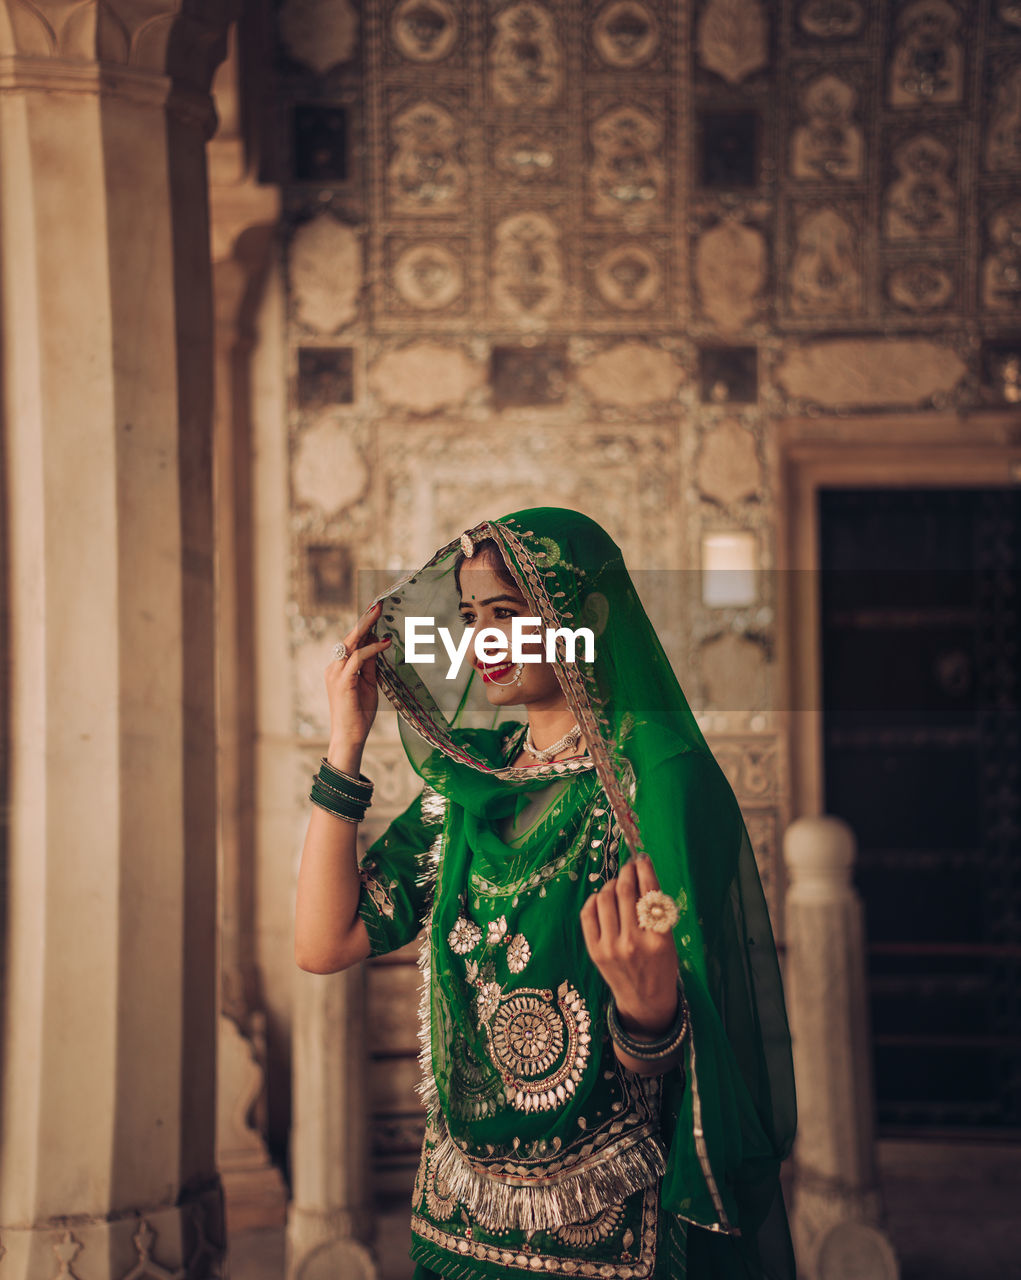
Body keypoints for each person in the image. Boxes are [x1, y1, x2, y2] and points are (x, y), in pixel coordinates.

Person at [295, 507, 797, 1279]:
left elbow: (683, 972)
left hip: (607, 1224)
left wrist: (647, 1013)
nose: (481, 641)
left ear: (580, 618)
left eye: (506, 612)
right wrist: (344, 746)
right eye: (469, 617)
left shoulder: (653, 778)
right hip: (457, 1217)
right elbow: (324, 943)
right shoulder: (472, 784)